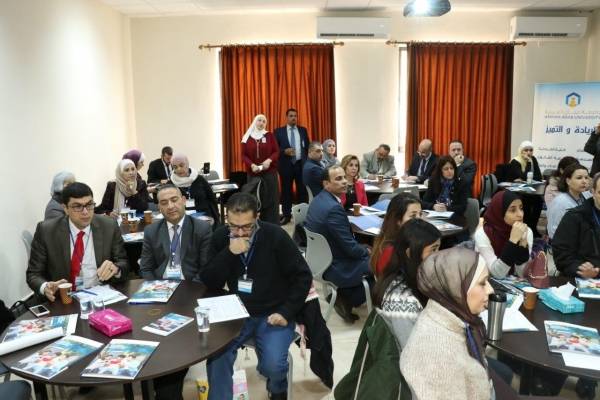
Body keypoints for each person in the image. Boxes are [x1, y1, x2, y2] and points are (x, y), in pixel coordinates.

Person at [202, 193, 311, 400]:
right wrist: (229, 253)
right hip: (236, 313)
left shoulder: (275, 235)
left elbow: (303, 276)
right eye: (233, 226)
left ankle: (277, 388)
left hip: (273, 312)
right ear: (226, 219)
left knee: (273, 366)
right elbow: (209, 280)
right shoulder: (220, 236)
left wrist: (286, 312)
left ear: (257, 218)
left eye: (246, 227)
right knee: (217, 357)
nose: (240, 232)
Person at [400, 248, 495, 400]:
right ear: (457, 289)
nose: (491, 289)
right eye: (482, 283)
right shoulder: (440, 358)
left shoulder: (447, 313)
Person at [27, 182, 128, 299]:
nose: (85, 212)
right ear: (65, 208)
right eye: (77, 207)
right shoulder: (47, 231)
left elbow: (123, 263)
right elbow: (33, 274)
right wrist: (45, 287)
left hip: (101, 295)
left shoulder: (109, 226)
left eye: (89, 205)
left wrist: (116, 269)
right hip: (64, 299)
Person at [305, 165, 373, 323]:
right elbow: (350, 248)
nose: (344, 182)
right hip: (335, 264)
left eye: (344, 177)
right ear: (326, 184)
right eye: (338, 179)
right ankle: (347, 299)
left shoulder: (318, 200)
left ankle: (345, 296)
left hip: (318, 260)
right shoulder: (333, 208)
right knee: (382, 263)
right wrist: (367, 251)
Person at [373, 219, 441, 347]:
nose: (438, 255)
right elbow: (410, 350)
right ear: (410, 253)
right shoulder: (402, 301)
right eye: (433, 250)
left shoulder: (409, 275)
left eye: (438, 248)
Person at [140, 184, 212, 281]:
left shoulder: (202, 229)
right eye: (164, 203)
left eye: (174, 200)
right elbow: (146, 268)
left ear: (183, 200)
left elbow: (205, 268)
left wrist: (191, 288)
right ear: (159, 207)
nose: (170, 206)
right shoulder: (151, 231)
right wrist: (154, 286)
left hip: (190, 283)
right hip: (161, 284)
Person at [474, 191, 532, 278]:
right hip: (486, 282)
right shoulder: (482, 234)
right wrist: (512, 241)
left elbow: (522, 274)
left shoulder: (526, 231)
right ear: (499, 212)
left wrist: (523, 245)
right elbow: (497, 274)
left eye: (521, 208)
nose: (520, 215)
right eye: (513, 210)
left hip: (513, 283)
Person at [553, 172, 600, 279]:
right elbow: (562, 255)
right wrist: (580, 269)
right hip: (583, 280)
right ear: (593, 192)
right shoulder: (574, 217)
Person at [370, 193, 422, 277]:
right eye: (413, 215)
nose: (419, 219)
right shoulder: (391, 251)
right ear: (398, 220)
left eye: (420, 214)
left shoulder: (407, 241)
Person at [241, 114, 280, 224]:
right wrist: (252, 165)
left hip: (269, 173)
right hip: (253, 174)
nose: (261, 123)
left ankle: (272, 225)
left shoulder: (269, 136)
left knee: (271, 200)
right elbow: (243, 155)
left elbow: (276, 151)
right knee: (254, 200)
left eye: (264, 121)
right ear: (255, 121)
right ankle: (254, 225)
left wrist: (269, 160)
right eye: (259, 120)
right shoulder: (247, 137)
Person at [274, 109, 309, 225]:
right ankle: (286, 215)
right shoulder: (279, 132)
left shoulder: (303, 130)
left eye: (295, 116)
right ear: (286, 117)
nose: (293, 118)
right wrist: (284, 151)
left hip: (300, 165)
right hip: (286, 165)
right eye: (291, 116)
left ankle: (302, 216)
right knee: (286, 191)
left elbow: (307, 147)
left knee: (302, 191)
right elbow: (275, 150)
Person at [168, 153, 220, 223]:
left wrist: (216, 217)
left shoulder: (199, 179)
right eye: (175, 167)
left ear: (187, 164)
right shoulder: (170, 183)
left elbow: (212, 198)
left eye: (181, 165)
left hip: (204, 215)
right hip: (181, 217)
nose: (179, 169)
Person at [506, 141, 543, 237]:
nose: (529, 153)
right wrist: (529, 163)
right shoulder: (515, 161)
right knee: (526, 202)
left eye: (531, 150)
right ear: (521, 151)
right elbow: (523, 177)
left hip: (528, 190)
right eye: (526, 150)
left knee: (539, 201)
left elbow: (539, 176)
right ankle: (525, 227)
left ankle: (533, 227)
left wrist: (530, 164)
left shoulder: (533, 159)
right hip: (517, 192)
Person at [546, 163, 590, 239]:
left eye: (586, 178)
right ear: (568, 181)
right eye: (579, 178)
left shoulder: (586, 196)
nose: (584, 181)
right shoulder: (560, 202)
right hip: (565, 243)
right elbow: (553, 232)